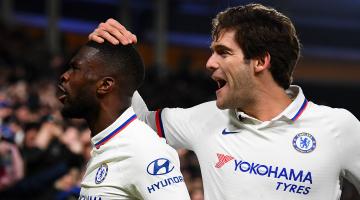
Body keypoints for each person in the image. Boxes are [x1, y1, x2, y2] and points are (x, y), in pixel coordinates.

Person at [89, 3, 360, 200]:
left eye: (223, 52)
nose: (209, 63)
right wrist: (111, 62)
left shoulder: (338, 127)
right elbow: (135, 124)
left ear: (260, 61)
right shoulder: (207, 119)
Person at [57, 41, 190, 199]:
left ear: (105, 85)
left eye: (75, 68)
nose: (65, 76)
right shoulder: (106, 144)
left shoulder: (144, 150)